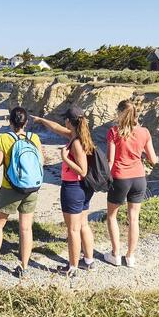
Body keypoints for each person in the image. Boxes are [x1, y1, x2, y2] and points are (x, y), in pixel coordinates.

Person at [0, 106, 43, 279]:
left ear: (10, 121)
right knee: (26, 228)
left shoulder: (4, 138)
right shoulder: (34, 137)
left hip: (10, 188)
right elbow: (41, 161)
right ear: (26, 122)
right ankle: (24, 267)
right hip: (32, 188)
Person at [31, 105, 96, 277]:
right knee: (83, 224)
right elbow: (56, 128)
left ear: (69, 121)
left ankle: (72, 268)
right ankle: (88, 261)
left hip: (74, 188)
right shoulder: (78, 135)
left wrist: (64, 158)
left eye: (65, 119)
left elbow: (82, 170)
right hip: (82, 189)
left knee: (73, 230)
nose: (63, 122)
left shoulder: (76, 143)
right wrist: (41, 120)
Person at [105, 99, 158, 268]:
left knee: (112, 216)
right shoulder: (145, 132)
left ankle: (116, 254)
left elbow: (110, 160)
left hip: (120, 178)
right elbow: (153, 159)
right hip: (139, 178)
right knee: (134, 219)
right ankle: (130, 257)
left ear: (120, 113)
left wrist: (103, 178)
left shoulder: (114, 132)